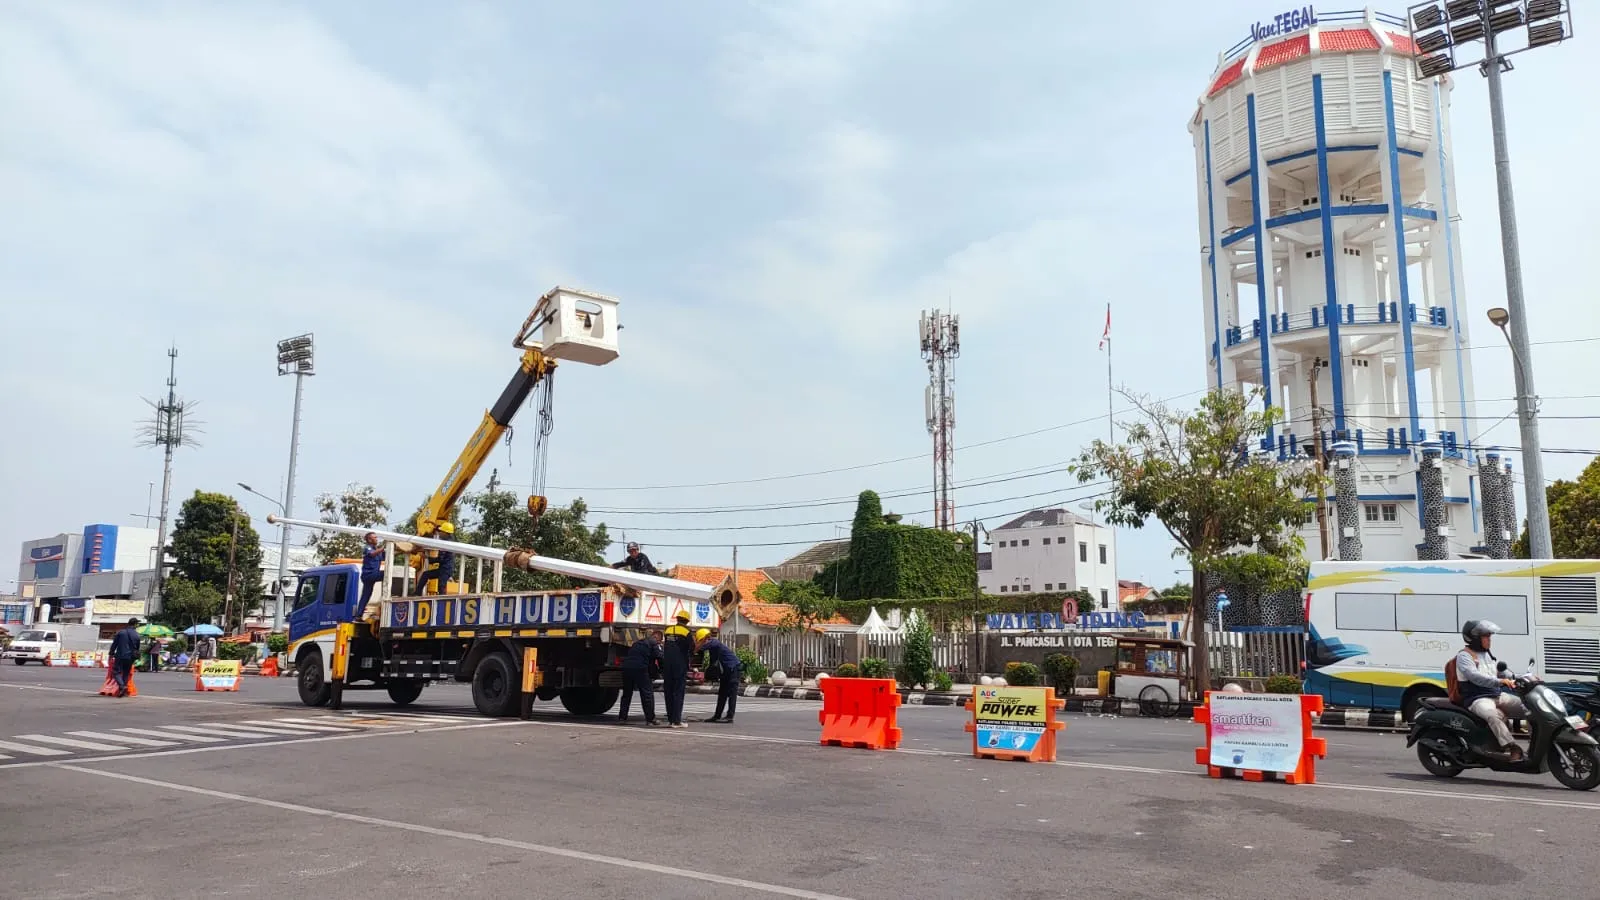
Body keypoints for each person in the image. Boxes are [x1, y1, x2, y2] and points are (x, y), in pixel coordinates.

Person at [1455, 619, 1527, 761]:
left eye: (1489, 636)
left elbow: (1501, 672)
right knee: (1493, 715)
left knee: (1528, 706)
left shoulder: (1486, 654)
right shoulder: (1464, 656)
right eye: (1486, 636)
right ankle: (1512, 748)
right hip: (1478, 698)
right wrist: (1500, 681)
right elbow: (1475, 677)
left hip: (1496, 695)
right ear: (1475, 638)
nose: (1489, 639)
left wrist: (1521, 678)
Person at [695, 629, 741, 724]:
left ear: (705, 638)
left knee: (732, 693)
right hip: (726, 670)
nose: (700, 643)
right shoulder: (713, 648)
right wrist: (706, 676)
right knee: (722, 693)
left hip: (733, 669)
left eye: (701, 640)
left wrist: (696, 645)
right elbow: (713, 664)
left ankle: (730, 716)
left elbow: (698, 648)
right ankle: (717, 715)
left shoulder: (714, 643)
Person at [618, 630, 663, 726]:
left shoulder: (637, 643)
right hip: (640, 669)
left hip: (627, 668)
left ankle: (622, 717)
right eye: (660, 641)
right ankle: (650, 719)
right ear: (657, 638)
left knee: (626, 694)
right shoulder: (654, 643)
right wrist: (663, 671)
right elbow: (660, 657)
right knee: (647, 695)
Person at [661, 611, 695, 728]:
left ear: (677, 619)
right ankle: (677, 721)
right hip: (679, 665)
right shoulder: (686, 632)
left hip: (667, 665)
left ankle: (671, 720)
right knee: (678, 692)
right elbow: (692, 648)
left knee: (668, 691)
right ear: (687, 621)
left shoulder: (668, 630)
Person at [415, 522, 457, 595]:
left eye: (441, 531)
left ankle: (442, 600)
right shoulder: (449, 541)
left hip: (445, 570)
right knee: (426, 574)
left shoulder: (447, 544)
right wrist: (435, 526)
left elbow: (440, 559)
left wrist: (427, 558)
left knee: (441, 586)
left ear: (445, 533)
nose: (439, 533)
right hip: (444, 568)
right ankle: (417, 593)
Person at [109, 618, 141, 698]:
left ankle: (122, 687)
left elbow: (114, 644)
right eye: (137, 624)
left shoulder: (121, 632)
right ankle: (123, 690)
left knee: (116, 672)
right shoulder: (137, 635)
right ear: (135, 624)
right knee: (126, 673)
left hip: (120, 655)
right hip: (130, 657)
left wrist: (111, 654)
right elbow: (137, 648)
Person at [360, 531, 385, 606]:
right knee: (387, 574)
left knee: (366, 596)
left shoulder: (377, 551)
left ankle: (359, 612)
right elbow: (372, 554)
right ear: (369, 540)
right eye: (375, 537)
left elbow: (386, 556)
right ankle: (388, 595)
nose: (377, 539)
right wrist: (383, 548)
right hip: (369, 575)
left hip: (373, 575)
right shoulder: (367, 548)